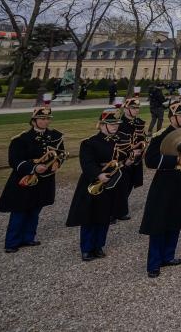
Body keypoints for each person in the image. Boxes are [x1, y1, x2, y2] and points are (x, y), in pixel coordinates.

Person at [139, 100, 181, 277]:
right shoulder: (161, 135)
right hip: (165, 183)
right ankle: (154, 263)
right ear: (172, 117)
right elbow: (150, 160)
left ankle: (168, 256)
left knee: (176, 220)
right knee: (159, 223)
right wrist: (175, 160)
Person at [0, 97, 66, 253]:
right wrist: (33, 168)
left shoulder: (56, 136)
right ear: (33, 121)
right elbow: (14, 161)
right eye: (42, 119)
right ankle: (12, 242)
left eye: (48, 118)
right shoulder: (21, 139)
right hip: (25, 179)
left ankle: (28, 237)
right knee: (20, 210)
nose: (46, 121)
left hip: (45, 180)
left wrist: (58, 163)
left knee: (35, 209)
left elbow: (61, 154)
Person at [66, 109, 123, 261]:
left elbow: (119, 161)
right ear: (102, 124)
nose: (115, 126)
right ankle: (86, 249)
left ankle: (98, 246)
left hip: (109, 183)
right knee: (89, 217)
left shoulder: (116, 141)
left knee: (104, 216)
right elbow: (86, 163)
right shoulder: (89, 142)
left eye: (116, 123)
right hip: (92, 183)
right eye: (111, 124)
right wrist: (98, 174)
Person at [114, 93, 146, 221]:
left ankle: (120, 207)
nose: (136, 110)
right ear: (126, 109)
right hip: (123, 159)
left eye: (137, 108)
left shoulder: (138, 122)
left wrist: (143, 147)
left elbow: (142, 137)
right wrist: (133, 149)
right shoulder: (119, 123)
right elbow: (116, 142)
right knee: (121, 185)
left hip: (136, 159)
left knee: (131, 183)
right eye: (133, 108)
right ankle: (117, 211)